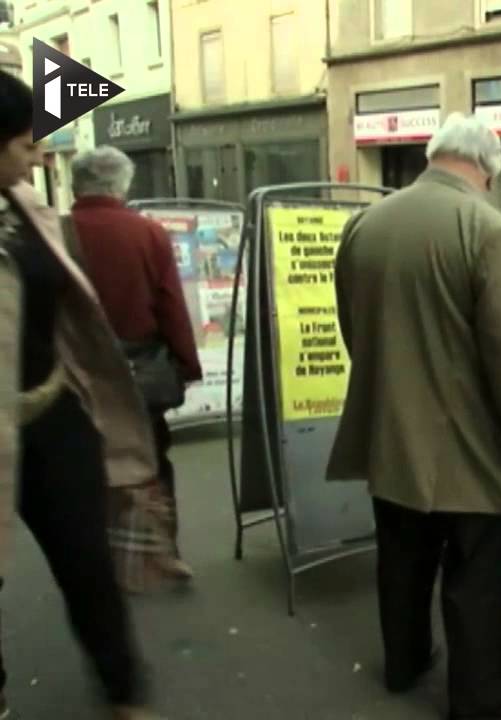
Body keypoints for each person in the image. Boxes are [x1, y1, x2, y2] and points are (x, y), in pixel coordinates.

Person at [326, 113, 501, 720]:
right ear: (488, 169)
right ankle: (480, 698)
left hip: (389, 430)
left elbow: (354, 327)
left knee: (401, 557)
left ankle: (405, 662)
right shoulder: (491, 230)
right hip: (468, 445)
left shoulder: (363, 225)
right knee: (475, 573)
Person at [0, 72, 161, 720]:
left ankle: (124, 691)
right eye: (23, 142)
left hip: (51, 413)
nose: (37, 155)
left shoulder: (24, 207)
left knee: (87, 560)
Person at [69, 145, 202, 582]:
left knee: (86, 464)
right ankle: (163, 550)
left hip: (73, 372)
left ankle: (97, 558)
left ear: (76, 184)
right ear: (120, 185)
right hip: (138, 370)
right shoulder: (147, 233)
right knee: (150, 457)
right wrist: (186, 362)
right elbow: (170, 306)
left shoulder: (54, 232)